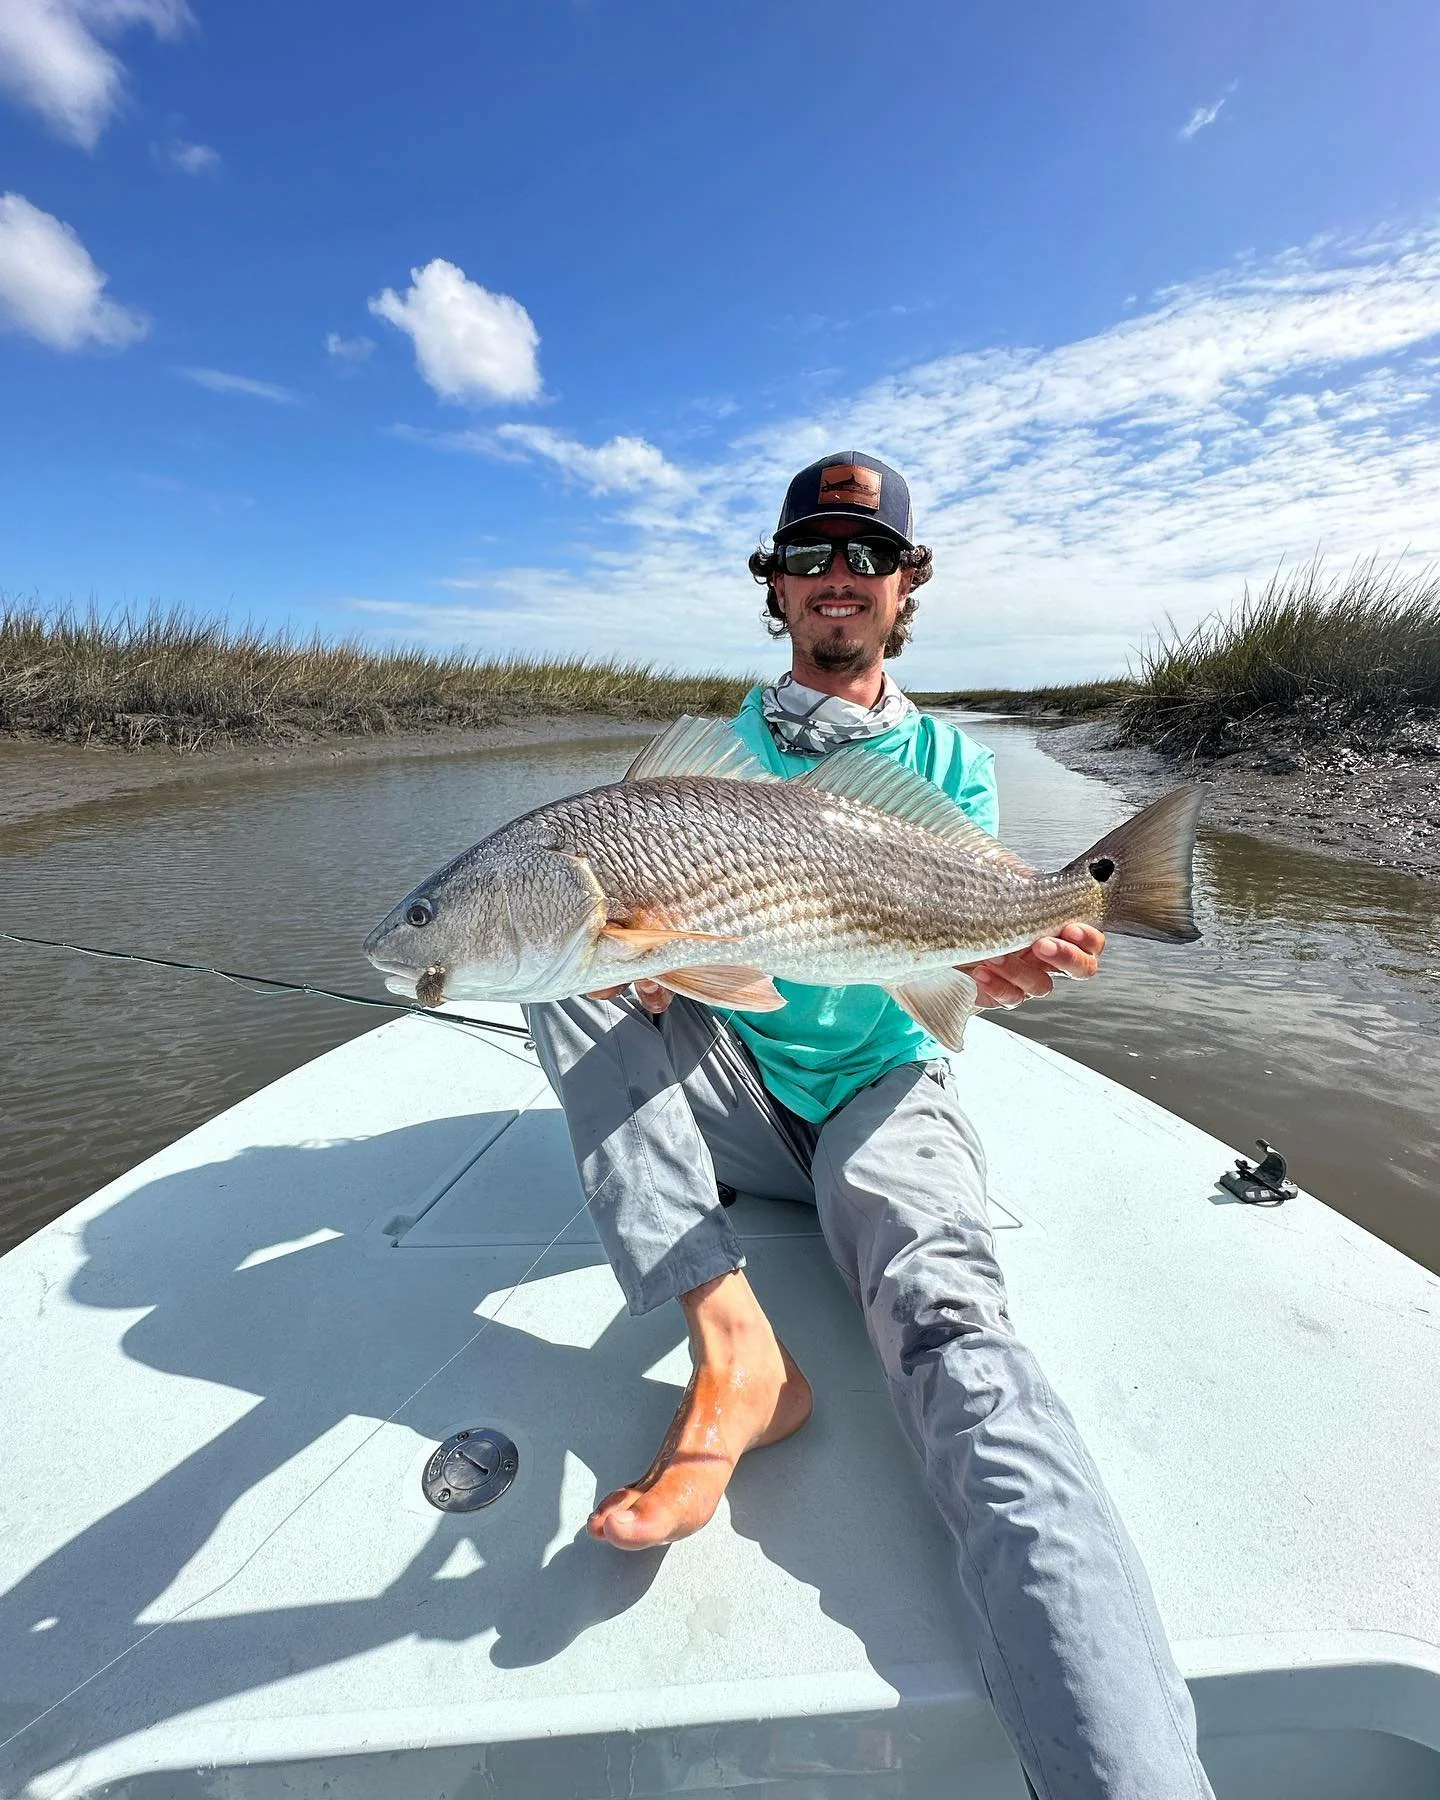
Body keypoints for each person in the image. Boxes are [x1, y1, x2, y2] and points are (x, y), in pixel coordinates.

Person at [524, 453, 1216, 1800]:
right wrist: (646, 958)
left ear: (905, 590)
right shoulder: (695, 760)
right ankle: (739, 1361)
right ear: (776, 590)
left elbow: (932, 937)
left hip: (881, 1093)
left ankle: (1128, 1775)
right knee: (570, 965)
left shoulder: (948, 758)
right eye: (810, 555)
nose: (838, 576)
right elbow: (661, 949)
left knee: (962, 1339)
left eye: (866, 555)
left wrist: (996, 954)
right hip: (724, 1102)